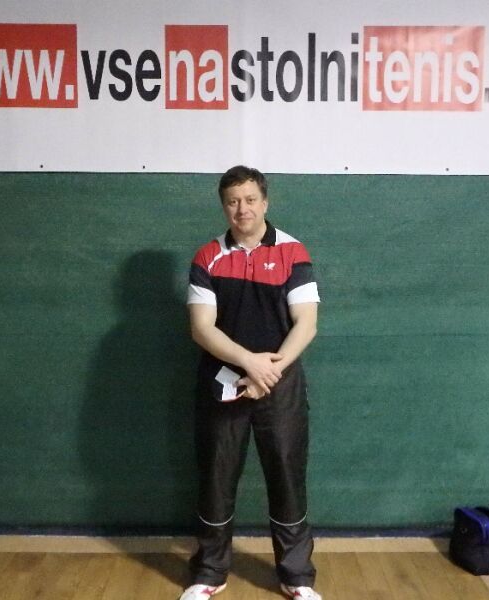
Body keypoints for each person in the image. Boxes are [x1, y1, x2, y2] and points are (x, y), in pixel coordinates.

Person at [181, 166, 322, 600]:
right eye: (232, 201)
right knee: (216, 477)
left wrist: (268, 372)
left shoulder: (293, 252)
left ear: (265, 202)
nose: (241, 209)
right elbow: (201, 328)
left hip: (280, 387)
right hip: (222, 386)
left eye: (249, 200)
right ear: (223, 206)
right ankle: (210, 573)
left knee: (287, 476)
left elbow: (306, 323)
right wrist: (248, 364)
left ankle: (296, 578)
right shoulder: (207, 257)